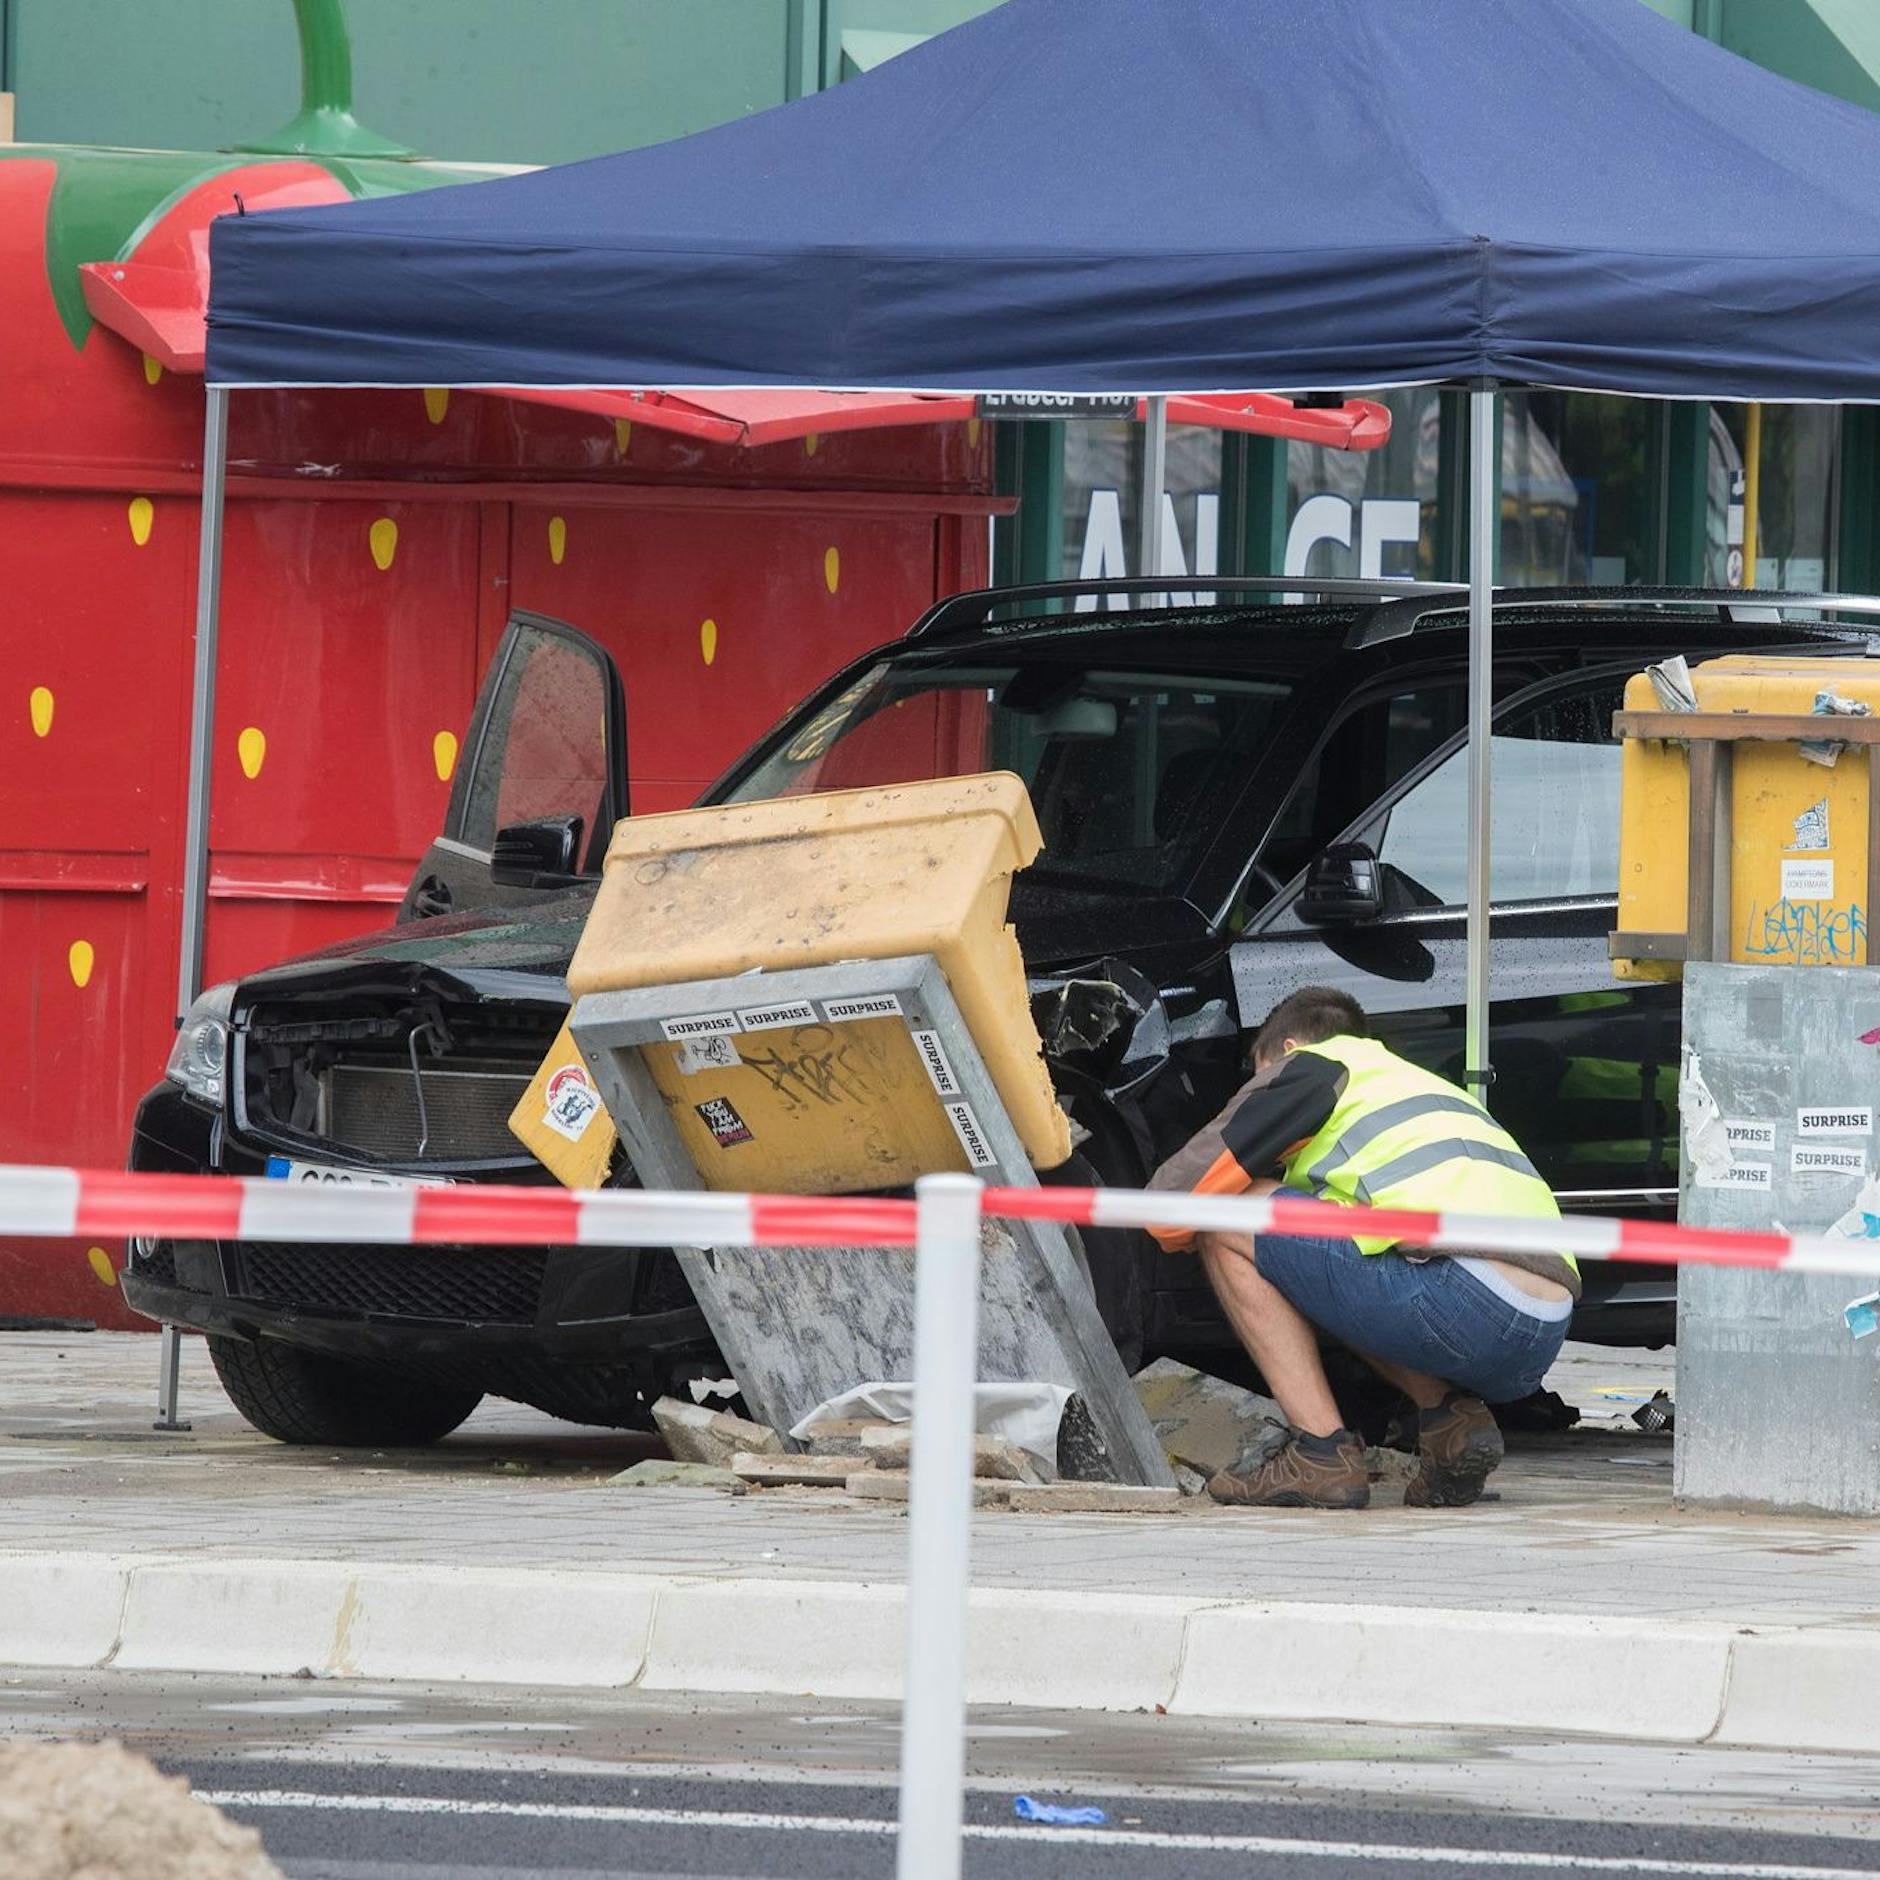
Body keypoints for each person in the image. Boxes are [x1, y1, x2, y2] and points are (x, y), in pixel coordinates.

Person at [1147, 986, 1576, 1510]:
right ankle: (1449, 1422)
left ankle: (1320, 1454)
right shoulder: (1414, 1084)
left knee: (1225, 1214)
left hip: (1461, 1300)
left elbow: (1171, 1207)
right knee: (1349, 1249)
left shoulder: (1310, 1066)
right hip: (1542, 1331)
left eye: (1257, 1078)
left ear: (1284, 1050)